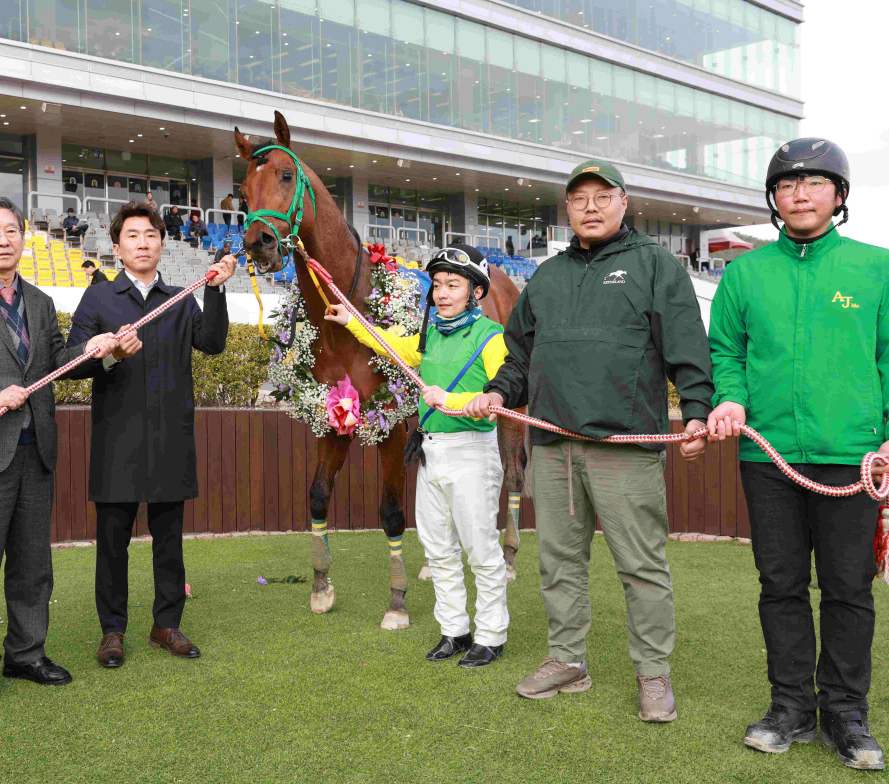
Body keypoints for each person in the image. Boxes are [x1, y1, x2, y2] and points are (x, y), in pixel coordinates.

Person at [465, 159, 714, 722]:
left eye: (603, 196)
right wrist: (499, 392)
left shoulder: (655, 265)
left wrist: (696, 413)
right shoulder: (548, 276)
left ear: (624, 202)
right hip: (554, 447)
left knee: (641, 567)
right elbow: (519, 356)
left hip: (625, 446)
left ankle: (653, 673)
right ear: (568, 209)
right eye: (579, 199)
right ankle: (567, 660)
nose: (591, 207)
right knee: (558, 561)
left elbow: (686, 347)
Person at [707, 139, 889, 771]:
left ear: (839, 196)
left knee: (848, 587)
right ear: (774, 199)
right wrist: (731, 398)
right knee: (780, 584)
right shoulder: (745, 274)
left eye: (814, 183)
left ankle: (845, 710)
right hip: (769, 457)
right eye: (786, 184)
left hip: (853, 457)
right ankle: (790, 706)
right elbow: (726, 351)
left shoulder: (877, 267)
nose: (800, 194)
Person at [0, 196, 117, 708]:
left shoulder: (40, 301)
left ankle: (27, 654)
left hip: (36, 451)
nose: (3, 240)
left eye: (11, 230)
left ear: (24, 237)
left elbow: (56, 361)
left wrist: (96, 351)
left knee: (33, 565)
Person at [67, 200, 236, 669]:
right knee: (112, 543)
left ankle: (167, 625)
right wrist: (107, 353)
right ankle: (112, 631)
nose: (142, 243)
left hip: (170, 438)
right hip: (116, 439)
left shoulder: (181, 297)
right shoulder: (99, 298)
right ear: (117, 247)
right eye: (133, 236)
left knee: (169, 541)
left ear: (162, 243)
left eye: (151, 235)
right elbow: (69, 362)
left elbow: (213, 343)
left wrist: (217, 291)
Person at [324, 247, 510, 668]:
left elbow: (501, 397)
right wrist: (352, 320)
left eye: (453, 285)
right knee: (438, 549)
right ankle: (455, 631)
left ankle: (491, 635)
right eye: (438, 285)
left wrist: (453, 400)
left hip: (472, 452)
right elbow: (390, 345)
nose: (442, 293)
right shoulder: (431, 334)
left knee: (481, 552)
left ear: (476, 291)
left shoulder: (491, 336)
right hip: (430, 451)